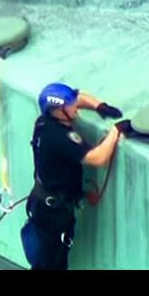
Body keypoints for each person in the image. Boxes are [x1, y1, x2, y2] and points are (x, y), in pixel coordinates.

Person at [20, 82, 125, 269]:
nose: (76, 107)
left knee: (51, 259)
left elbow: (77, 97)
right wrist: (115, 132)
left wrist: (99, 105)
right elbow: (98, 157)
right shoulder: (58, 137)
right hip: (53, 214)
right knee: (52, 263)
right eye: (70, 106)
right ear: (59, 111)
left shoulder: (45, 123)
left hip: (47, 204)